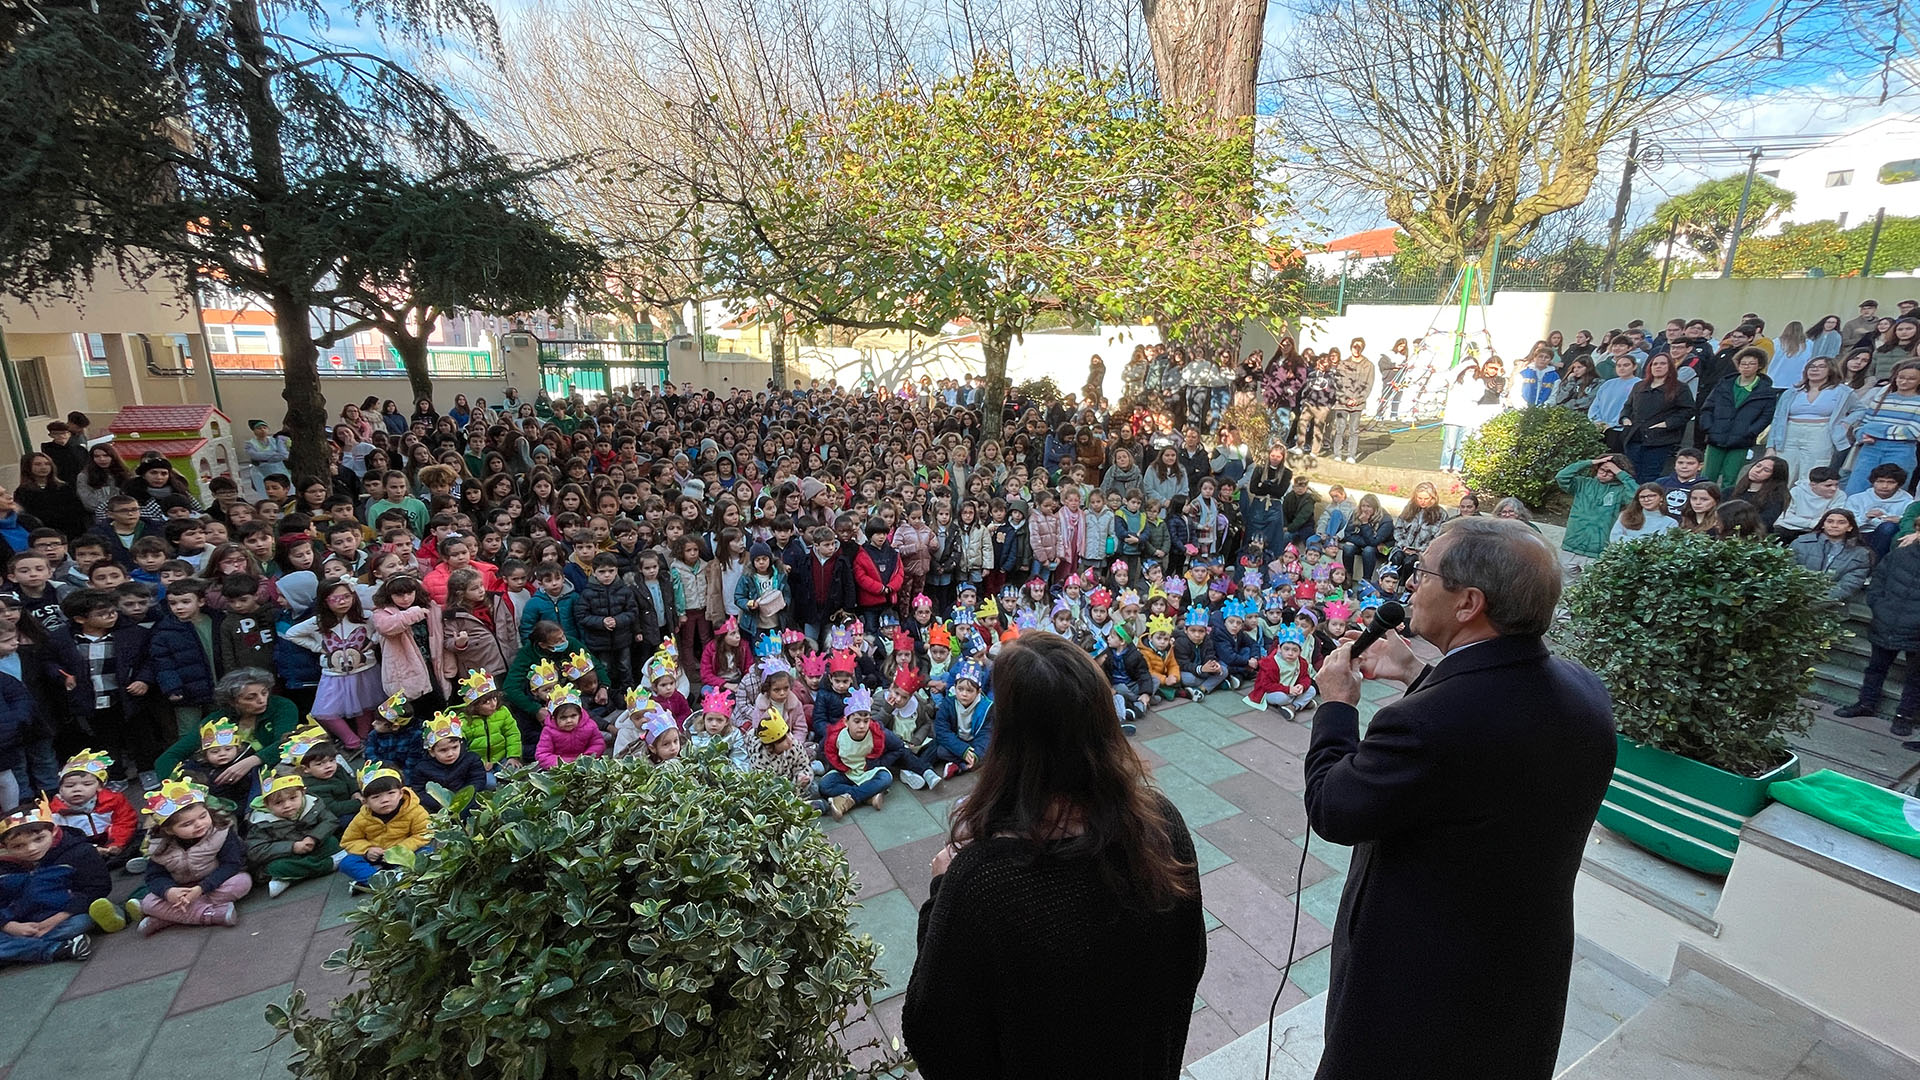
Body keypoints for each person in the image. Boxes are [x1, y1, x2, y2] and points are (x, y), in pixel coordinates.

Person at [1306, 517, 1615, 1079]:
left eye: (1423, 572)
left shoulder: (1424, 726)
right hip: (1518, 972)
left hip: (1418, 988)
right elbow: (1486, 733)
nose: (1410, 585)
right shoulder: (1583, 690)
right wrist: (1416, 671)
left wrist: (1336, 706)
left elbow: (1333, 807)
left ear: (1469, 602)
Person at [902, 635, 1204, 1080]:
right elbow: (1187, 963)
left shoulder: (982, 882)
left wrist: (939, 895)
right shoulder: (1161, 823)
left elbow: (935, 1036)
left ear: (1007, 741)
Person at [1835, 528, 1920, 740]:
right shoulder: (1899, 555)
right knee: (1876, 668)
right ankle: (1866, 703)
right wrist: (1879, 607)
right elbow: (1878, 582)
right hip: (1887, 620)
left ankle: (1904, 717)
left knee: (1915, 678)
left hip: (1917, 630)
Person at [1696, 347, 1779, 488]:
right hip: (1716, 436)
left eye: (1751, 364)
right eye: (1743, 363)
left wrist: (1750, 432)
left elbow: (1766, 416)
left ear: (1759, 366)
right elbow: (1708, 407)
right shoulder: (1724, 384)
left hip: (1741, 440)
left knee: (1730, 479)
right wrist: (1709, 427)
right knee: (1707, 476)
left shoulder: (1766, 391)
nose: (1746, 367)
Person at [1554, 455, 1635, 566]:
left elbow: (1636, 497)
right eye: (1602, 469)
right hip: (1571, 546)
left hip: (1598, 552)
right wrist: (1589, 462)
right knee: (1565, 582)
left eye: (1610, 472)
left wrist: (1620, 473)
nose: (1604, 474)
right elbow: (1561, 477)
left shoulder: (1621, 491)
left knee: (1590, 583)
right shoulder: (1583, 483)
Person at [1791, 510, 1872, 605]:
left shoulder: (1860, 554)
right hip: (1795, 603)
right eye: (1830, 521)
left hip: (1833, 609)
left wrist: (1819, 602)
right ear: (1822, 525)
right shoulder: (1801, 543)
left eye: (1841, 522)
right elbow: (1788, 570)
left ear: (1850, 527)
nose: (1834, 525)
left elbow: (1849, 585)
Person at [1610, 483, 1678, 543]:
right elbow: (1614, 538)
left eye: (1651, 496)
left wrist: (1632, 541)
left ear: (1661, 498)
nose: (1646, 500)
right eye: (1642, 497)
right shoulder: (1625, 516)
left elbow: (1665, 545)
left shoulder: (1671, 523)